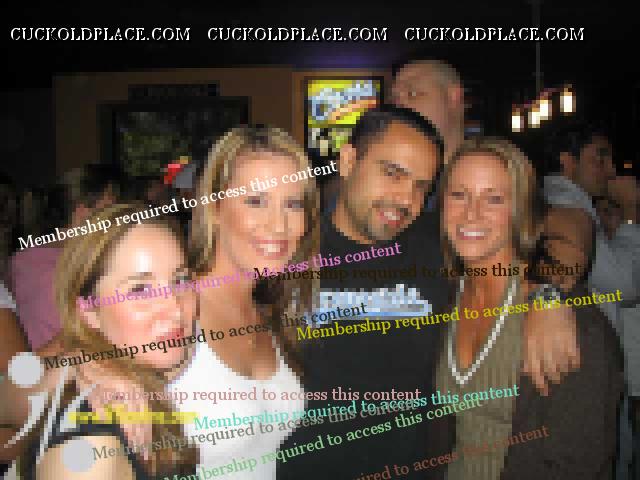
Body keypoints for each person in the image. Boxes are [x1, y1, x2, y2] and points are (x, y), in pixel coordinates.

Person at [429, 136, 622, 480]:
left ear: (521, 211)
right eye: (459, 195)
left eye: (494, 198)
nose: (471, 213)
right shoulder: (444, 296)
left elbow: (579, 464)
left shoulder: (576, 325)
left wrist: (548, 295)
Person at [392, 59, 583, 394]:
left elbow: (570, 221)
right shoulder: (391, 185)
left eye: (413, 93)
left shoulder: (496, 162)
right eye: (394, 97)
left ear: (455, 96)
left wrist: (546, 295)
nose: (399, 104)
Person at [12, 204, 198, 479]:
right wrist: (73, 363)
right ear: (89, 311)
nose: (175, 308)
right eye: (139, 289)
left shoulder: (160, 360)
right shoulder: (89, 451)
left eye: (180, 280)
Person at [174, 125, 318, 478]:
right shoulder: (171, 304)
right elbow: (32, 386)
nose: (279, 225)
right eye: (256, 201)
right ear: (214, 207)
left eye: (293, 204)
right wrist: (95, 368)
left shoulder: (272, 311)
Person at [10, 164, 121, 351]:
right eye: (111, 209)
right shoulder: (71, 269)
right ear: (83, 212)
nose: (118, 219)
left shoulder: (23, 258)